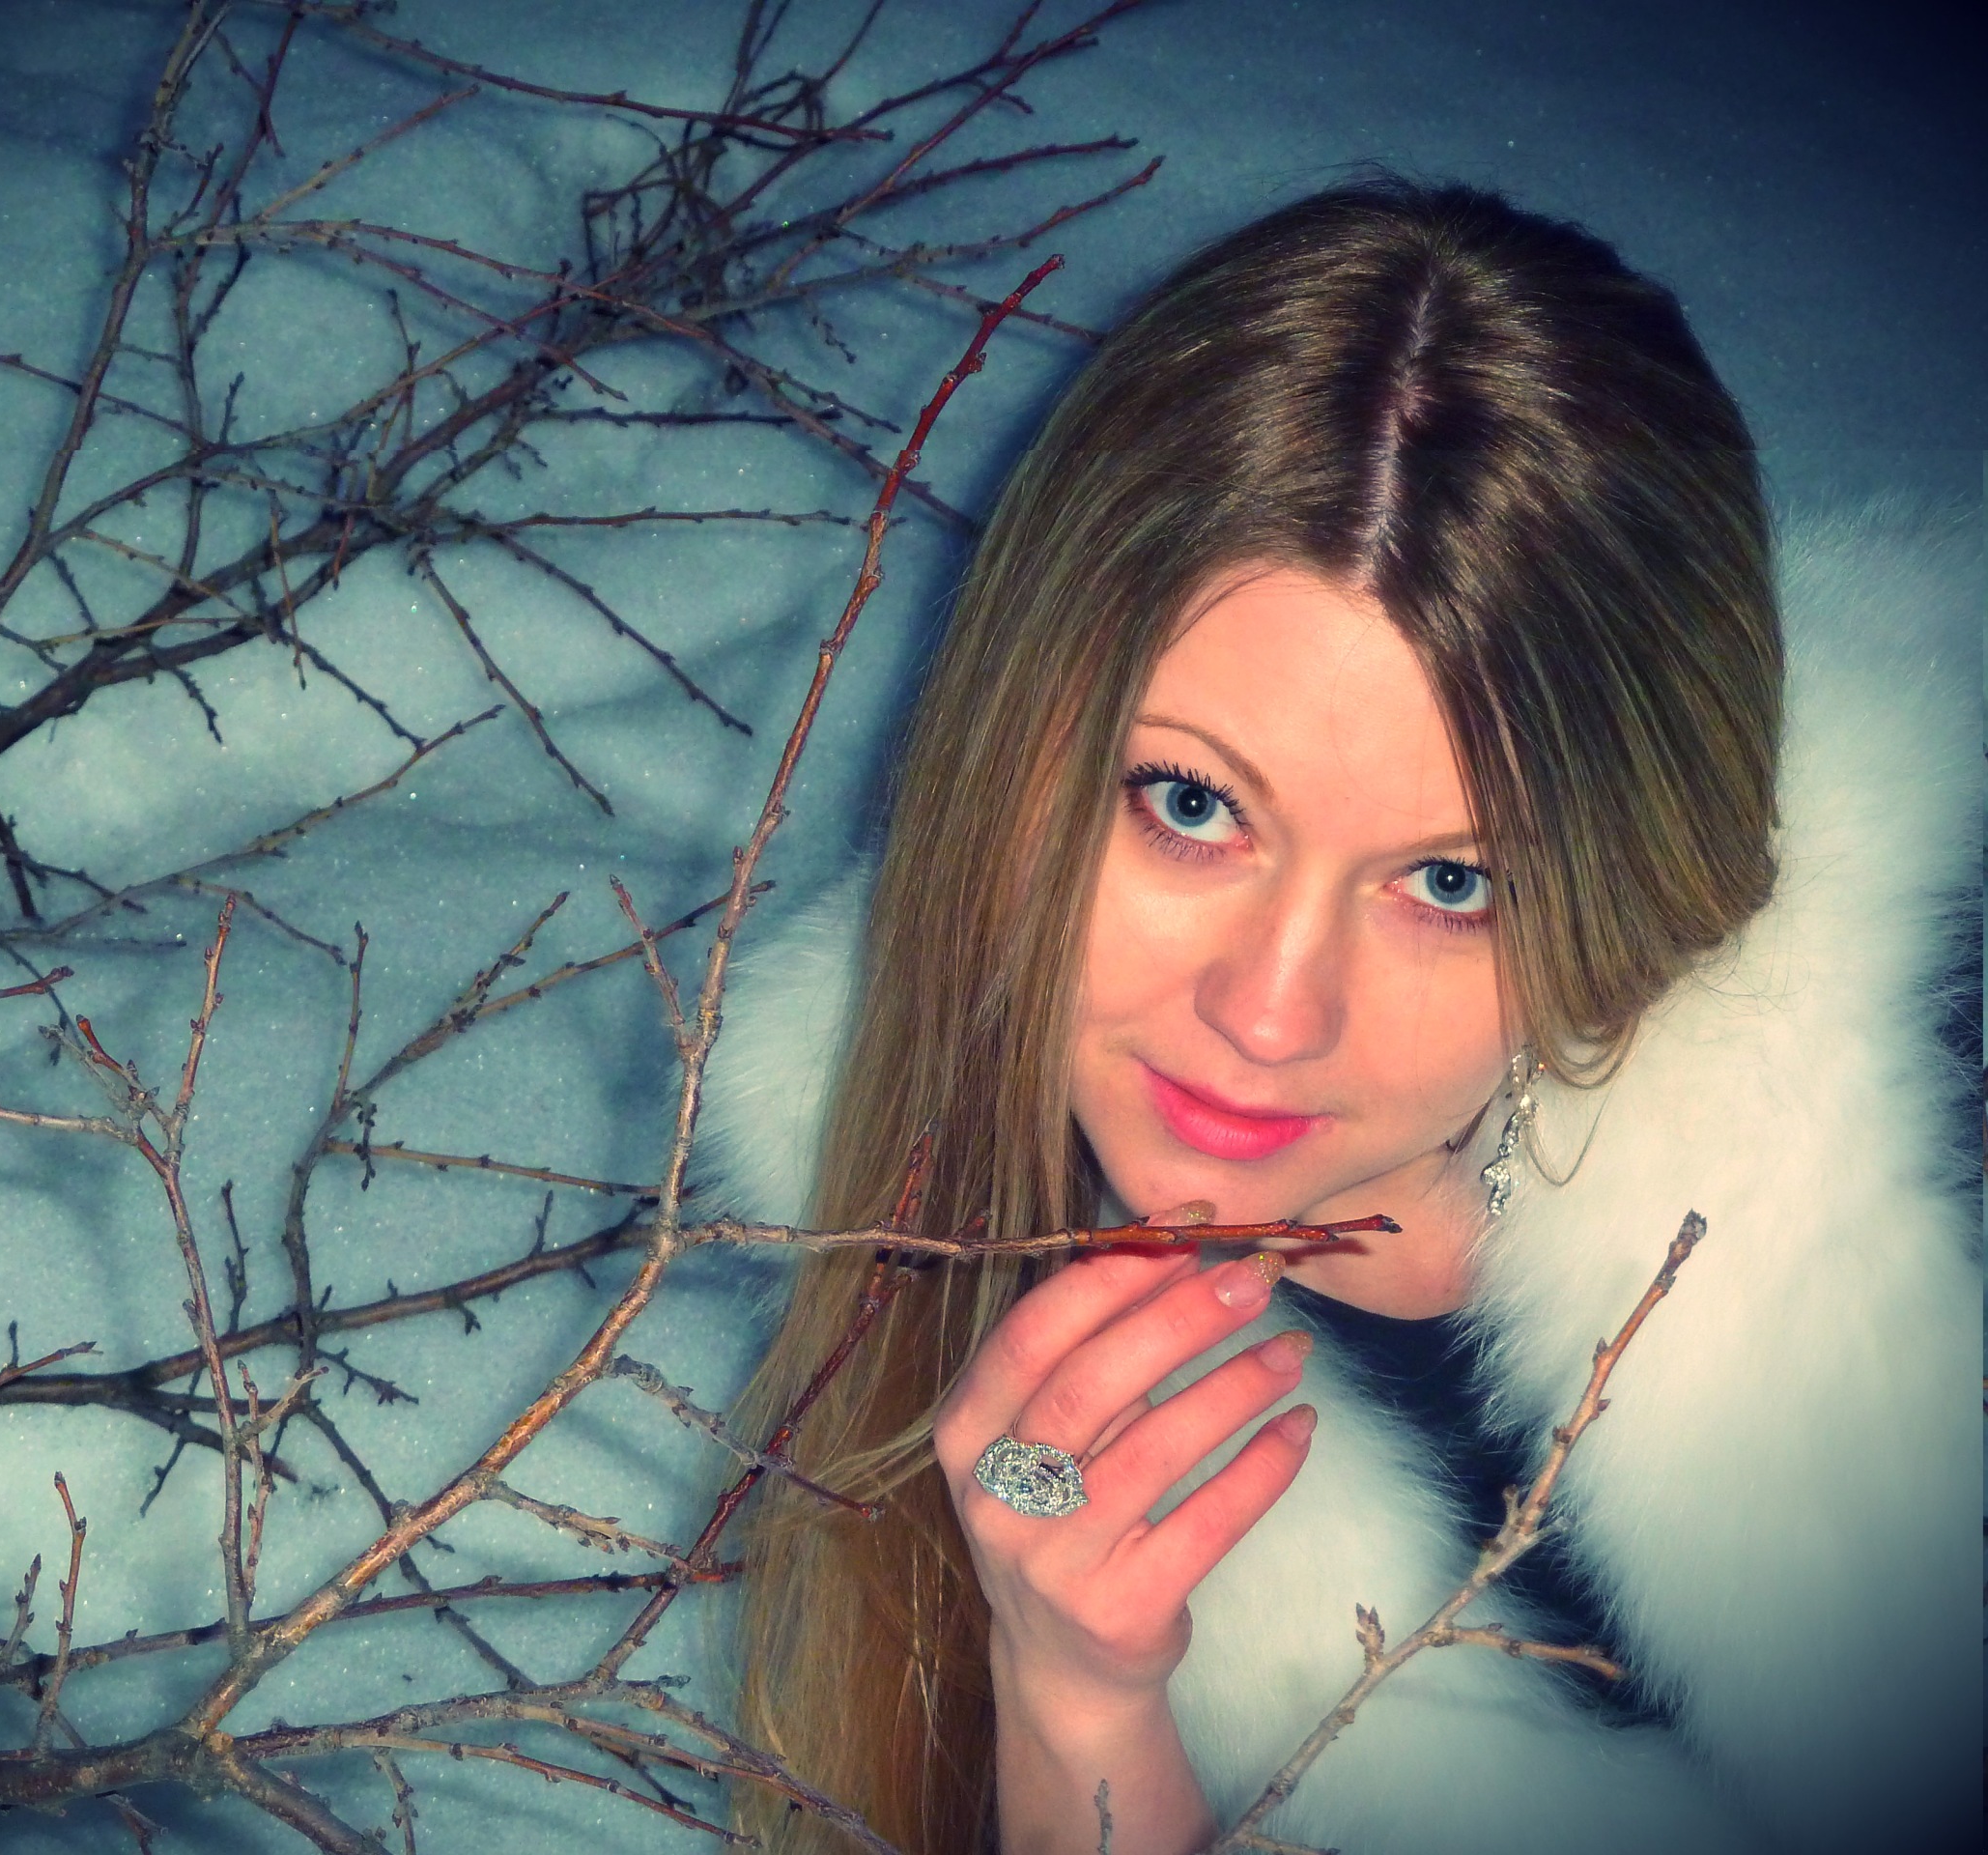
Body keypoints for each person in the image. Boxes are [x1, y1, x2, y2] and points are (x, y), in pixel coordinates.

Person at [696, 176, 1979, 1854]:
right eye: (1190, 806)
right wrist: (1078, 1698)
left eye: (1453, 881)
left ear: (1639, 880)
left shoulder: (1924, 1146)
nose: (1269, 1015)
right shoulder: (926, 1202)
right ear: (1010, 750)